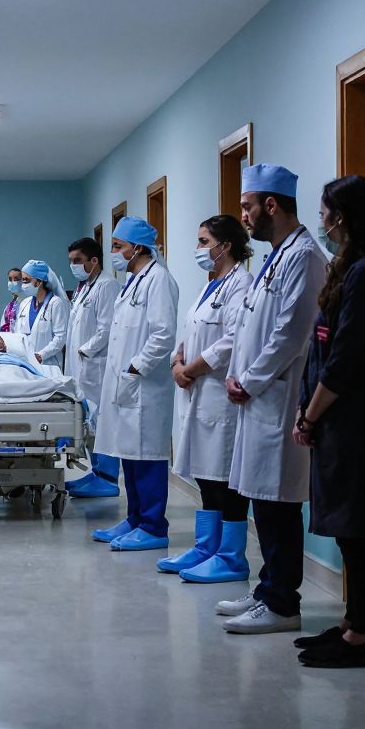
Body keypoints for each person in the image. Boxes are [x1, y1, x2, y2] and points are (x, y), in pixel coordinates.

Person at [291, 175, 365, 668]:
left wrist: (310, 412)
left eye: (323, 212)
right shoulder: (358, 268)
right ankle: (354, 624)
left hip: (361, 423)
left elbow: (345, 359)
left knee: (360, 532)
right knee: (350, 531)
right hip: (346, 420)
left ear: (340, 217)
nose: (320, 221)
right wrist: (310, 408)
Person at [217, 164, 327, 635]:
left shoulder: (304, 257)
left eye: (247, 207)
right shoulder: (275, 257)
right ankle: (267, 589)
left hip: (277, 396)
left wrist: (250, 379)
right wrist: (241, 376)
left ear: (271, 206)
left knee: (280, 502)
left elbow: (291, 333)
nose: (243, 216)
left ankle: (283, 603)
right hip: (258, 394)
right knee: (264, 499)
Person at [158, 215, 256, 580]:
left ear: (225, 245)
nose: (198, 249)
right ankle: (205, 548)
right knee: (206, 476)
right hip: (196, 390)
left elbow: (233, 340)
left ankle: (230, 557)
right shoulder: (210, 285)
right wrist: (177, 363)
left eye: (203, 242)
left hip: (218, 395)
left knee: (224, 479)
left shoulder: (242, 285)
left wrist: (192, 369)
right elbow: (190, 330)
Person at [88, 217, 180, 552]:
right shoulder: (134, 281)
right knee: (129, 453)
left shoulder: (158, 280)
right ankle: (135, 519)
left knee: (148, 457)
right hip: (127, 384)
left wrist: (135, 368)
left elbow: (163, 334)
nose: (114, 252)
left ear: (137, 248)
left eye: (118, 246)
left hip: (145, 386)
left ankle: (154, 527)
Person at [61, 237, 123, 499]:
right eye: (71, 261)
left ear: (94, 260)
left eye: (78, 261)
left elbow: (107, 328)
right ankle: (97, 474)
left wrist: (86, 350)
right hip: (81, 366)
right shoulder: (85, 287)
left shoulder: (107, 286)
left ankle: (107, 479)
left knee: (101, 423)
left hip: (95, 366)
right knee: (89, 423)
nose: (73, 266)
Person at [16, 260, 70, 368]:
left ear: (39, 282)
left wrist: (41, 355)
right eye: (22, 280)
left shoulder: (55, 303)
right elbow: (18, 333)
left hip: (48, 363)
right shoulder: (24, 304)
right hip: (26, 361)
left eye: (26, 280)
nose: (23, 285)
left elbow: (60, 337)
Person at [0, 267, 24, 332]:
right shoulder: (9, 308)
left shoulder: (30, 302)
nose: (12, 282)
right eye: (10, 279)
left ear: (23, 281)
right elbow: (3, 328)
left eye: (16, 279)